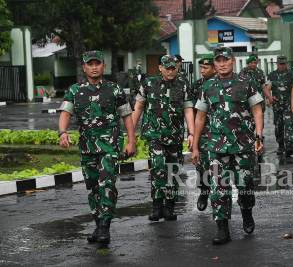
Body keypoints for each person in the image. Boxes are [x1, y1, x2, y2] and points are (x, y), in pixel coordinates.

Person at [59, 50, 136, 244]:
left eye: (97, 63)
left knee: (106, 184)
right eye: (90, 64)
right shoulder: (75, 90)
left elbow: (127, 116)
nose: (94, 67)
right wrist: (63, 132)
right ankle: (98, 224)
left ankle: (104, 226)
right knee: (93, 187)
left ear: (103, 66)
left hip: (110, 146)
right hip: (87, 147)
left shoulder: (115, 89)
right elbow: (65, 112)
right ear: (84, 67)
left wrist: (131, 141)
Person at [192, 47, 264, 245]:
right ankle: (222, 228)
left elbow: (257, 110)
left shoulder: (246, 83)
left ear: (233, 61)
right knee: (218, 188)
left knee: (245, 185)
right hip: (216, 146)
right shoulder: (207, 86)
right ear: (214, 63)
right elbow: (200, 117)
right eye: (219, 60)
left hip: (243, 144)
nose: (222, 63)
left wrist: (259, 134)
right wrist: (196, 146)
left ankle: (247, 213)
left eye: (226, 59)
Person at [132, 55, 195, 222]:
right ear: (160, 68)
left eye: (173, 67)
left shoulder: (183, 84)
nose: (170, 70)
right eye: (167, 67)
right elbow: (138, 107)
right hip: (154, 135)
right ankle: (157, 205)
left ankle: (169, 206)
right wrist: (131, 133)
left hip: (175, 135)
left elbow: (188, 110)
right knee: (159, 167)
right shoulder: (148, 84)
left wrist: (191, 133)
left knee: (172, 170)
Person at [191, 54, 216, 211]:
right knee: (201, 164)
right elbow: (192, 111)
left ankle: (218, 196)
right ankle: (204, 191)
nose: (202, 70)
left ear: (213, 68)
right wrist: (192, 133)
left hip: (219, 131)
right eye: (201, 67)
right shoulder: (196, 86)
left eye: (206, 67)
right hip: (202, 130)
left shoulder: (220, 84)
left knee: (219, 166)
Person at [265, 55, 293, 156]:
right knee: (278, 127)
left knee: (289, 125)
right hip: (277, 106)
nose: (282, 66)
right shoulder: (272, 75)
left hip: (287, 105)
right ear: (277, 64)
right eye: (280, 64)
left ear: (286, 63)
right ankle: (281, 145)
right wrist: (270, 97)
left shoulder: (291, 74)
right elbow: (267, 88)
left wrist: (292, 103)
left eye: (283, 64)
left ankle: (289, 146)